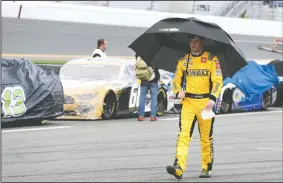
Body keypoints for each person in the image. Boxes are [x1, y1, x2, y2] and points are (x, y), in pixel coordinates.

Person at [166, 35, 223, 179]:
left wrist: (213, 98)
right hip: (188, 103)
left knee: (206, 138)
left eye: (196, 42)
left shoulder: (212, 59)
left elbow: (218, 81)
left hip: (206, 104)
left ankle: (207, 167)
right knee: (183, 135)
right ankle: (179, 167)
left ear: (202, 43)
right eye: (191, 42)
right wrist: (178, 91)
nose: (193, 44)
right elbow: (175, 81)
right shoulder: (184, 60)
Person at [136, 54, 160, 121]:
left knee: (142, 97)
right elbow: (157, 66)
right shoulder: (155, 53)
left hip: (143, 78)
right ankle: (153, 116)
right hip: (153, 79)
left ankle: (140, 116)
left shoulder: (138, 53)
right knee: (154, 97)